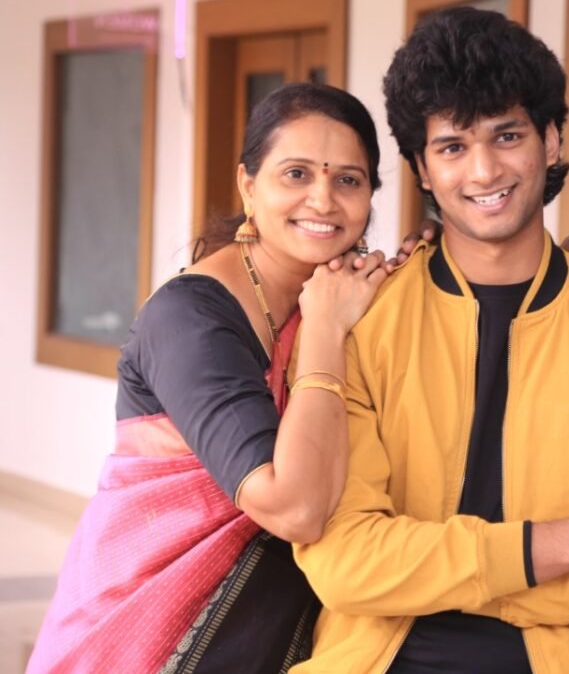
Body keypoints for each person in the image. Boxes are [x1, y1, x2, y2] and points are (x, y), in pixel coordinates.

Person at [292, 7, 569, 674]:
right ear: (422, 168)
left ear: (551, 140)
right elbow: (344, 565)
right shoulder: (364, 322)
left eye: (506, 136)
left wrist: (426, 578)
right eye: (452, 147)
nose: (483, 171)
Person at [29, 83, 390, 674]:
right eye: (296, 174)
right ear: (249, 185)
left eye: (348, 180)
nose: (323, 199)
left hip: (261, 632)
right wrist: (325, 329)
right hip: (140, 627)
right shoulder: (190, 317)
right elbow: (294, 509)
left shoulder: (344, 291)